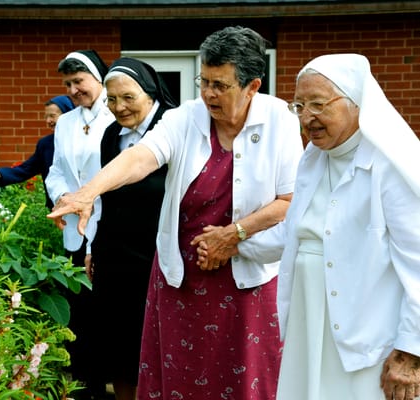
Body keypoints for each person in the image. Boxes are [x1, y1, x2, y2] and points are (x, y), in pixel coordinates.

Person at [48, 26, 303, 399]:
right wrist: (89, 192)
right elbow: (140, 156)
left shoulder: (280, 120)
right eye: (205, 81)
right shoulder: (186, 117)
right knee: (182, 378)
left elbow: (288, 199)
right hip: (181, 279)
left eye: (221, 85)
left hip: (247, 277)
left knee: (248, 380)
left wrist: (234, 235)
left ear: (252, 86)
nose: (208, 94)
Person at [239, 53, 420, 400]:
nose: (307, 118)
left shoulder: (388, 165)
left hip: (369, 331)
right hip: (310, 321)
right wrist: (235, 243)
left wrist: (412, 351)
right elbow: (297, 234)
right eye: (300, 106)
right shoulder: (313, 159)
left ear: (356, 103)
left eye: (318, 104)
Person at [89, 57, 178, 400]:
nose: (119, 107)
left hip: (157, 253)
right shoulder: (112, 135)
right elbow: (106, 198)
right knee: (119, 343)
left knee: (157, 340)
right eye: (111, 99)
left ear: (151, 93)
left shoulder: (172, 128)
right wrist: (94, 249)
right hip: (115, 255)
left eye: (128, 97)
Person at [44, 49, 115, 399]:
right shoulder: (67, 123)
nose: (73, 89)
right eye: (68, 84)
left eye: (79, 81)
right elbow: (56, 170)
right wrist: (61, 197)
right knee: (79, 315)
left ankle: (107, 383)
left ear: (98, 79)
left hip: (109, 226)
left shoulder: (115, 117)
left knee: (104, 312)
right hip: (74, 229)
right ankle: (85, 386)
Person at [0, 95, 75, 209]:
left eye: (52, 116)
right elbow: (27, 169)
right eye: (46, 116)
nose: (48, 121)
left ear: (68, 115)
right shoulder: (45, 144)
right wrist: (0, 173)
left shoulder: (86, 141)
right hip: (58, 208)